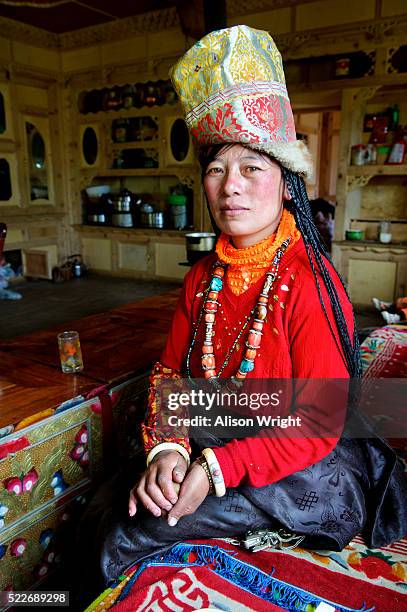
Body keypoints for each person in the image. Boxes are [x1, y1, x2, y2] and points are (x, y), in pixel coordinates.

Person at [78, 25, 406, 598]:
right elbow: (169, 378)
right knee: (108, 500)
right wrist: (168, 450)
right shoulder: (204, 277)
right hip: (222, 433)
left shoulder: (309, 278)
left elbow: (318, 422)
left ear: (286, 183)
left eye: (252, 167)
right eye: (216, 169)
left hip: (306, 462)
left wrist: (211, 471)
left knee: (132, 531)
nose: (231, 187)